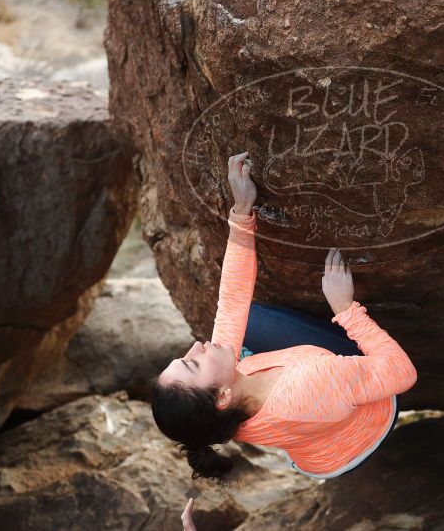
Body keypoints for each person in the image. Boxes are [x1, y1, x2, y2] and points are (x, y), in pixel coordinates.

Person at [150, 151, 418, 501]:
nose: (196, 347)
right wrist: (346, 309)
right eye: (192, 363)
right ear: (224, 396)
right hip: (370, 418)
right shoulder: (310, 384)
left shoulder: (219, 419)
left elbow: (232, 301)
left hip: (319, 447)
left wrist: (242, 213)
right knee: (259, 330)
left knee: (250, 320)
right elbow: (401, 373)